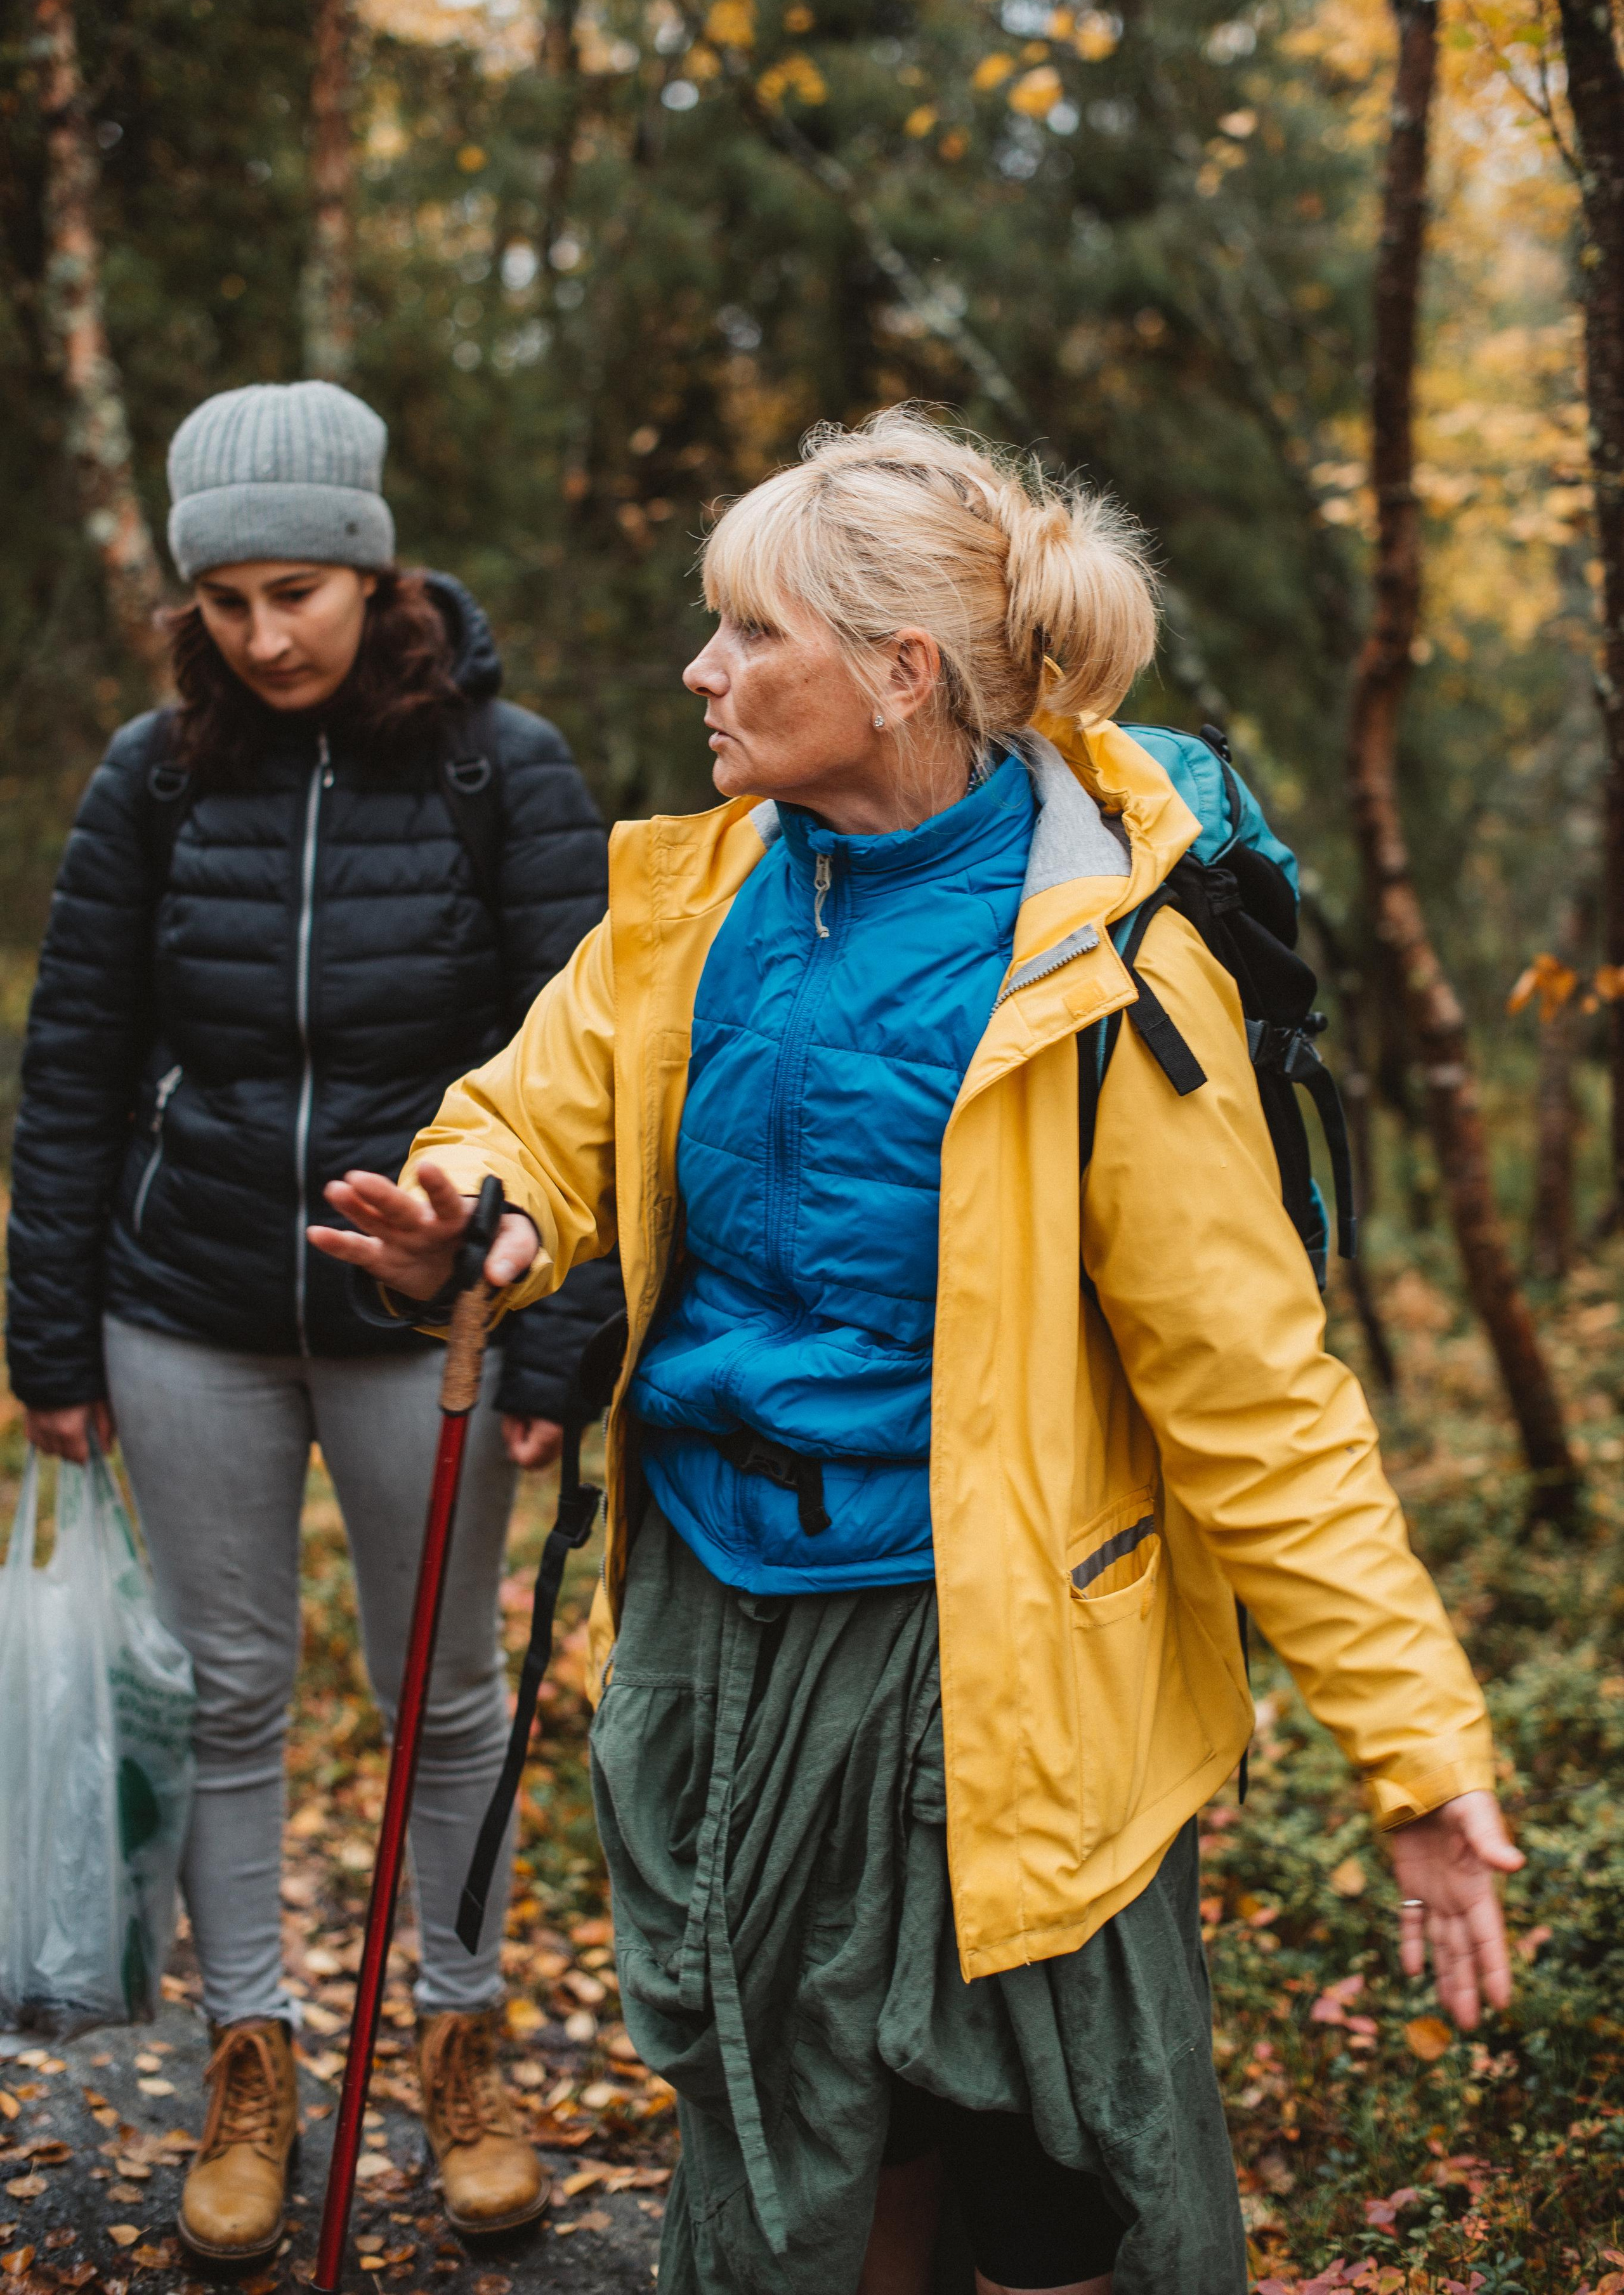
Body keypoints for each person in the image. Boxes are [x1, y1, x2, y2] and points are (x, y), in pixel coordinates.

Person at [313, 409, 1522, 2295]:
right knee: (796, 2133)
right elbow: (534, 1116)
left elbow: (1259, 1400)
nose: (701, 671)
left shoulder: (1106, 965)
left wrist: (1418, 1750)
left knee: (1039, 2163)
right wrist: (479, 1212)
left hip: (997, 1657)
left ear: (900, 673)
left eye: (750, 634)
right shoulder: (691, 897)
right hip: (724, 1628)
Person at [6, 382, 621, 2264]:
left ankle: (455, 2038)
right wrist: (47, 1344)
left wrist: (555, 1341)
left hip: (423, 1335)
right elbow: (79, 1062)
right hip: (182, 1308)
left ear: (369, 568)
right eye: (228, 604)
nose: (265, 637)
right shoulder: (155, 776)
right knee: (222, 1697)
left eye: (297, 592)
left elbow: (589, 1069)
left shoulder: (501, 772)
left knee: (441, 1695)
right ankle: (251, 2057)